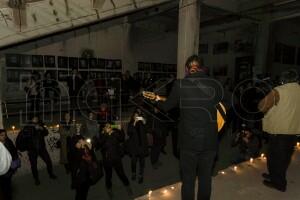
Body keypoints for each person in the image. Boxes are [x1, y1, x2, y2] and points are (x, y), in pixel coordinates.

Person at [154, 55, 224, 200]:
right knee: (205, 179)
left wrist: (156, 100)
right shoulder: (215, 84)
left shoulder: (180, 84)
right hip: (210, 140)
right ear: (202, 68)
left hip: (189, 141)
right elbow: (231, 102)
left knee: (188, 180)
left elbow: (166, 106)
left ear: (187, 69)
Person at [258, 69, 300, 192]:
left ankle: (279, 183)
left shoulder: (278, 91)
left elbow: (261, 106)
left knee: (274, 157)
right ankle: (274, 176)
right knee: (284, 157)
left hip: (279, 130)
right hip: (294, 130)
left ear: (284, 79)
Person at [17, 116, 57, 185]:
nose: (35, 119)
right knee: (34, 165)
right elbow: (24, 135)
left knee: (48, 161)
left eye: (36, 118)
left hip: (41, 148)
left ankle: (51, 174)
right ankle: (36, 179)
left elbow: (46, 133)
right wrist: (33, 129)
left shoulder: (40, 125)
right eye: (34, 118)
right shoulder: (27, 127)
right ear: (31, 119)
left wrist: (42, 129)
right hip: (32, 150)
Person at [95, 123, 132, 199]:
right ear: (104, 129)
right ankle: (109, 189)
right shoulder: (102, 136)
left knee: (121, 173)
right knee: (108, 176)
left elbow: (122, 138)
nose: (109, 127)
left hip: (116, 159)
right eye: (107, 126)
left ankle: (127, 185)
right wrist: (106, 134)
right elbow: (99, 144)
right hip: (107, 160)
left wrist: (120, 129)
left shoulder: (114, 134)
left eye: (109, 126)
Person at [126, 111, 148, 184]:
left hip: (142, 146)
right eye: (134, 116)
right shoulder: (130, 124)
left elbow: (147, 129)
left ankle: (141, 175)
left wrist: (144, 121)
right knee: (133, 161)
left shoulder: (141, 123)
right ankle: (133, 173)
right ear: (133, 117)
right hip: (134, 147)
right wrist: (134, 123)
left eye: (137, 116)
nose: (136, 117)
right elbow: (129, 132)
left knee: (142, 162)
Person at [0, 129, 16, 200]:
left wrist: (14, 161)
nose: (4, 136)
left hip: (8, 169)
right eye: (1, 135)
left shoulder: (8, 142)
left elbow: (14, 152)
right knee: (3, 186)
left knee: (7, 185)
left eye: (5, 135)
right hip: (0, 170)